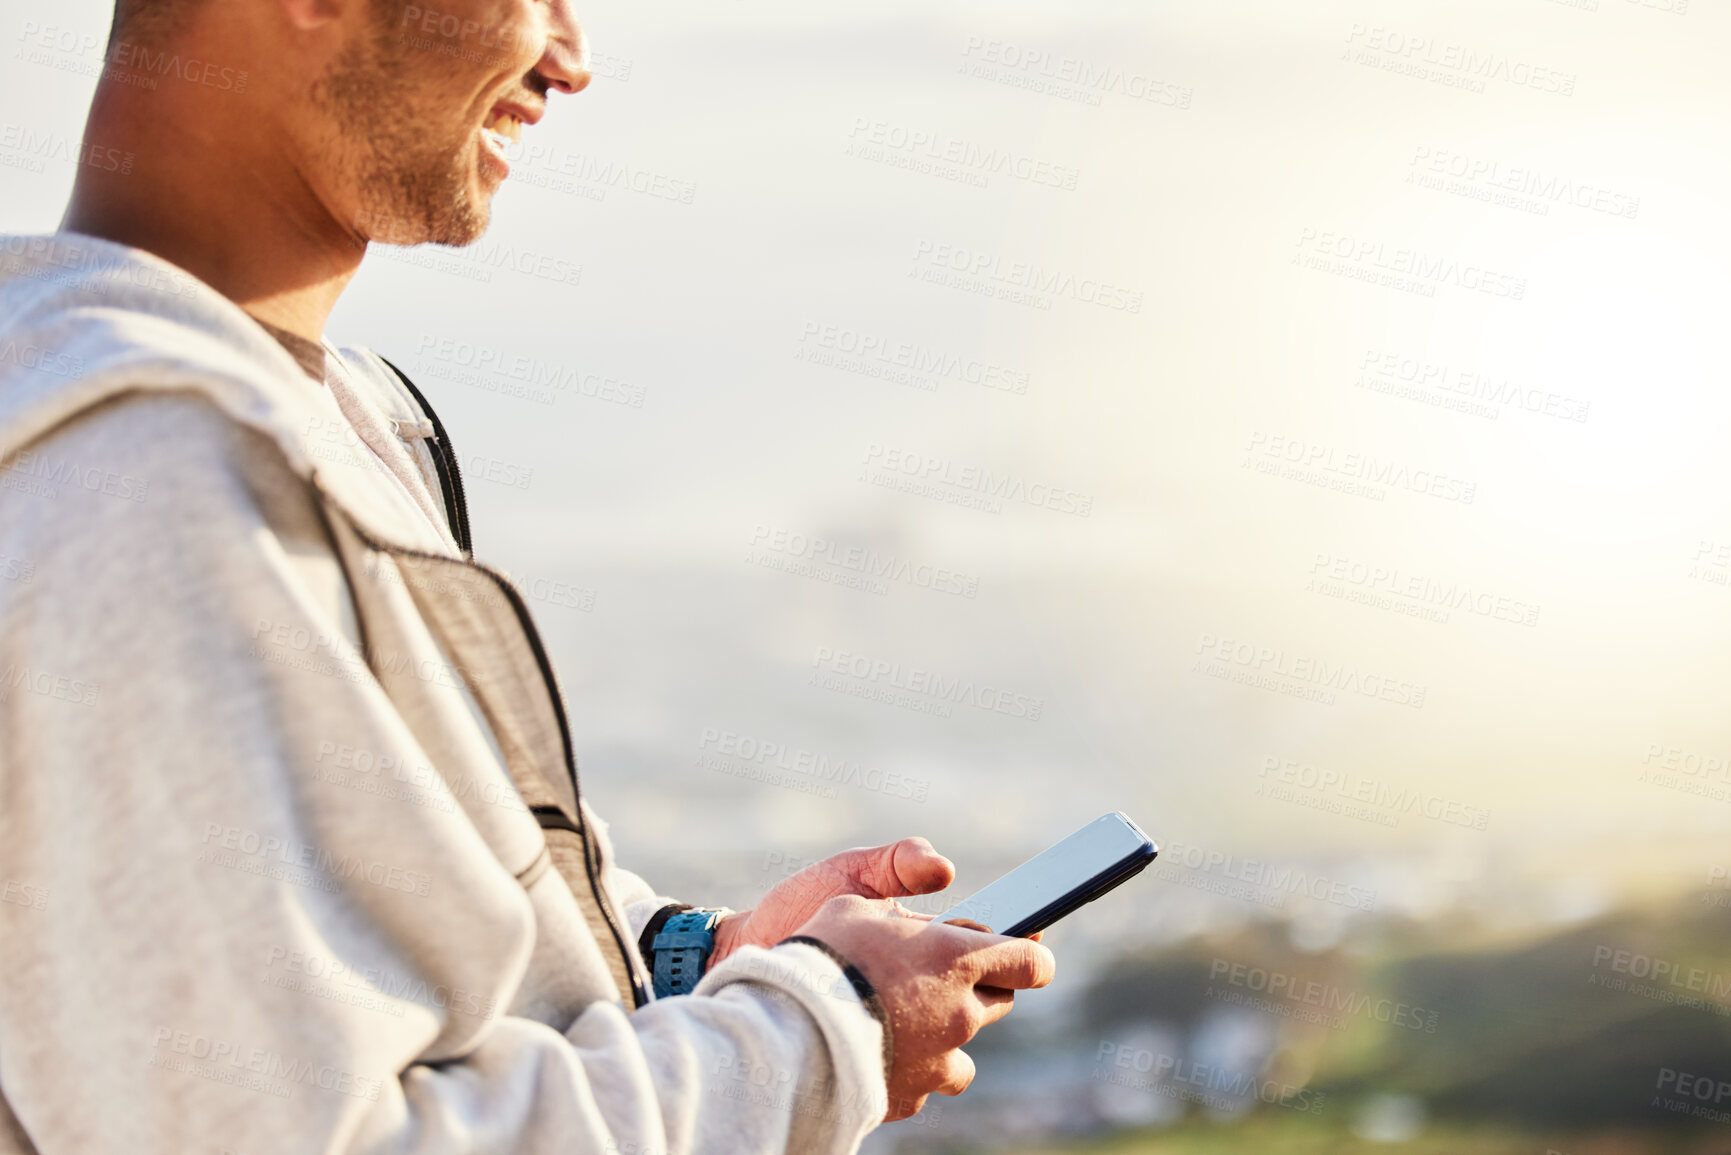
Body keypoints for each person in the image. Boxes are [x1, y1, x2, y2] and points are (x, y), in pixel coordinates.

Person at [0, 0, 1055, 1151]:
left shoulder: (301, 421)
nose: (573, 60)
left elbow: (411, 939)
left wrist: (695, 962)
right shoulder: (135, 475)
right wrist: (819, 1035)